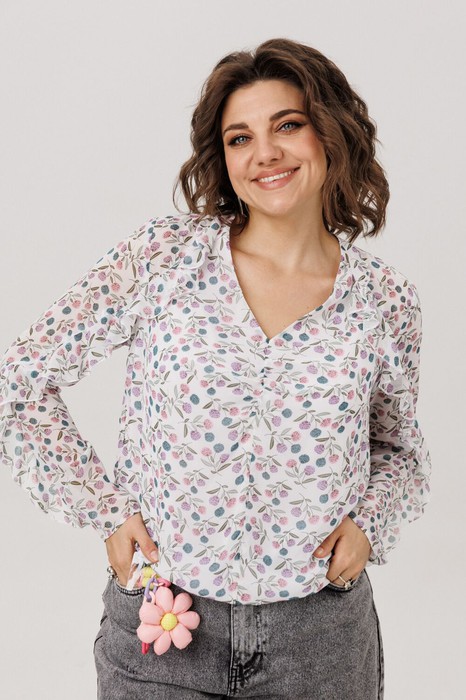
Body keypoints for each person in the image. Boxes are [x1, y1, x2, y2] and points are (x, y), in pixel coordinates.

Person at [0, 38, 431, 699]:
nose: (265, 153)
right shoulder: (163, 259)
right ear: (222, 157)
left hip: (320, 641)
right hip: (161, 631)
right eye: (239, 138)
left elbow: (397, 448)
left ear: (331, 133)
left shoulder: (384, 300)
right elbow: (21, 379)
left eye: (288, 125)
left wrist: (369, 525)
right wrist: (104, 510)